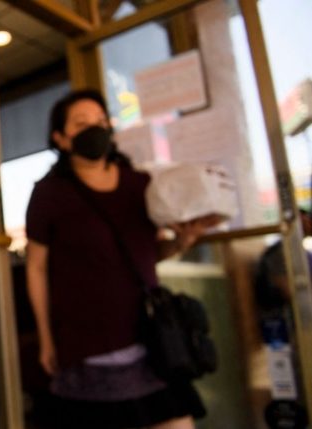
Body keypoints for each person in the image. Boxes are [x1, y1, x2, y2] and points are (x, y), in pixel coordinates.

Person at [24, 89, 214, 429]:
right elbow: (36, 268)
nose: (95, 129)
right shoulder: (49, 193)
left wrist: (183, 241)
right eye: (82, 123)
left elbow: (151, 255)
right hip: (86, 348)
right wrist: (46, 338)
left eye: (100, 121)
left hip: (152, 341)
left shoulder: (140, 185)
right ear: (61, 138)